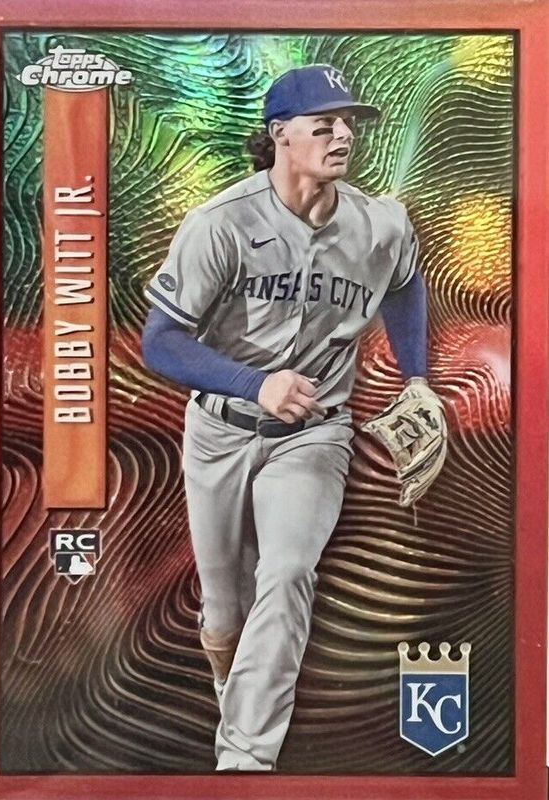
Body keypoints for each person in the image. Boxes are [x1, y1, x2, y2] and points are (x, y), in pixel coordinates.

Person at [141, 64, 432, 772]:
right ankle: (231, 693)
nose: (343, 136)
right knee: (223, 609)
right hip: (219, 429)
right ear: (279, 135)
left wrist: (417, 379)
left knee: (288, 571)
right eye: (323, 124)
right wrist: (255, 382)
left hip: (315, 435)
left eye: (348, 123)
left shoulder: (379, 223)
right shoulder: (221, 223)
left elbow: (403, 284)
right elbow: (161, 342)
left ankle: (244, 758)